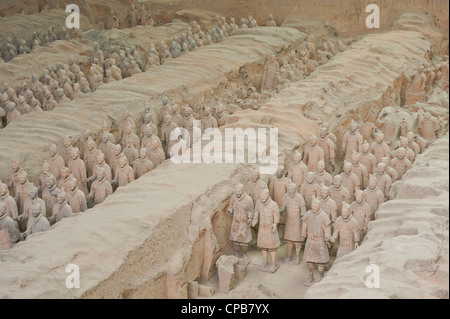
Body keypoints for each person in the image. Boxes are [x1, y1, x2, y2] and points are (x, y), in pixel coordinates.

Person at [302, 197, 332, 286]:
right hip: (310, 240)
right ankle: (311, 276)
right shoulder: (308, 214)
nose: (314, 208)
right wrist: (303, 235)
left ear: (319, 206)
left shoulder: (323, 216)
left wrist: (327, 238)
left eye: (316, 207)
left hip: (320, 241)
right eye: (313, 207)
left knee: (320, 262)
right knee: (309, 260)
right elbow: (304, 224)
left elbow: (327, 227)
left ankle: (322, 278)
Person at [251, 188, 281, 273]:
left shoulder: (273, 204)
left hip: (271, 228)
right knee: (263, 246)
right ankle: (265, 261)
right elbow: (256, 214)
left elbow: (276, 215)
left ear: (268, 195)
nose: (262, 198)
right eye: (261, 196)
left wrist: (275, 224)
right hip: (262, 228)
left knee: (272, 247)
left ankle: (273, 263)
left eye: (264, 196)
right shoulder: (258, 203)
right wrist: (254, 220)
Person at [280, 183, 306, 264]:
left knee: (297, 241)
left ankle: (297, 257)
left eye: (292, 190)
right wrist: (281, 210)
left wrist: (302, 215)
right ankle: (289, 256)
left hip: (297, 221)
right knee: (289, 240)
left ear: (295, 189)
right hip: (289, 221)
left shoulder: (299, 197)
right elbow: (283, 206)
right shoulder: (286, 196)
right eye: (289, 190)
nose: (290, 191)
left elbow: (303, 207)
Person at [228, 183, 254, 259]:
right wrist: (230, 210)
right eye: (236, 191)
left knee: (244, 242)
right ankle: (237, 253)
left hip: (244, 223)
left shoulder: (248, 199)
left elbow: (251, 210)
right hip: (235, 222)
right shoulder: (233, 197)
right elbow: (230, 207)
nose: (237, 193)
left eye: (239, 192)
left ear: (243, 191)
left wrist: (250, 218)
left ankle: (245, 254)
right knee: (235, 241)